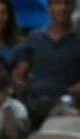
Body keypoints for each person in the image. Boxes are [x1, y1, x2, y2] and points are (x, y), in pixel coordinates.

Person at [12, 0, 80, 128]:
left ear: (74, 7)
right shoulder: (34, 37)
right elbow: (20, 74)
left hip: (67, 103)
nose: (62, 8)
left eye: (67, 3)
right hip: (35, 103)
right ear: (49, 7)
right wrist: (19, 84)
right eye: (57, 3)